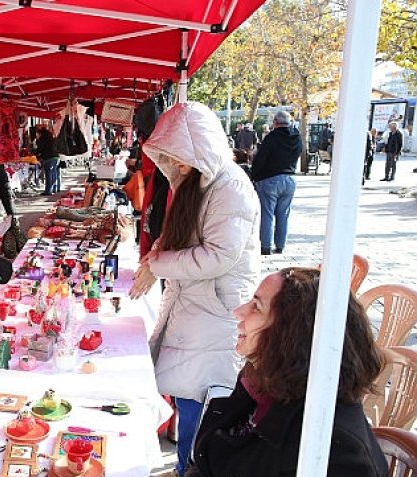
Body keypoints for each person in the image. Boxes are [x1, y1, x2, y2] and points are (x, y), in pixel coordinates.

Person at [128, 101, 260, 477]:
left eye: (178, 156)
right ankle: (186, 465)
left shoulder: (231, 187)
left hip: (217, 312)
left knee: (203, 406)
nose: (175, 164)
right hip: (192, 309)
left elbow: (218, 256)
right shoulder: (193, 184)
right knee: (188, 400)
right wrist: (154, 257)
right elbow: (174, 236)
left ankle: (189, 468)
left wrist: (157, 265)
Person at [187, 267, 388, 477]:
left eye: (256, 306)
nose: (239, 311)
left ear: (290, 335)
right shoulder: (262, 381)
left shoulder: (333, 448)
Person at [250, 111, 303, 255]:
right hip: (290, 178)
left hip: (270, 179)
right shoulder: (297, 138)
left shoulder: (271, 138)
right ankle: (280, 245)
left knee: (267, 214)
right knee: (283, 214)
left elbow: (261, 159)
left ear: (275, 122)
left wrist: (254, 176)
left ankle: (265, 246)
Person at [35, 126, 59, 195]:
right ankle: (54, 189)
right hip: (56, 157)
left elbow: (40, 149)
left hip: (49, 158)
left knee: (48, 175)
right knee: (54, 173)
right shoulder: (51, 138)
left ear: (40, 133)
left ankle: (48, 191)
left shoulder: (42, 139)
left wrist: (35, 153)